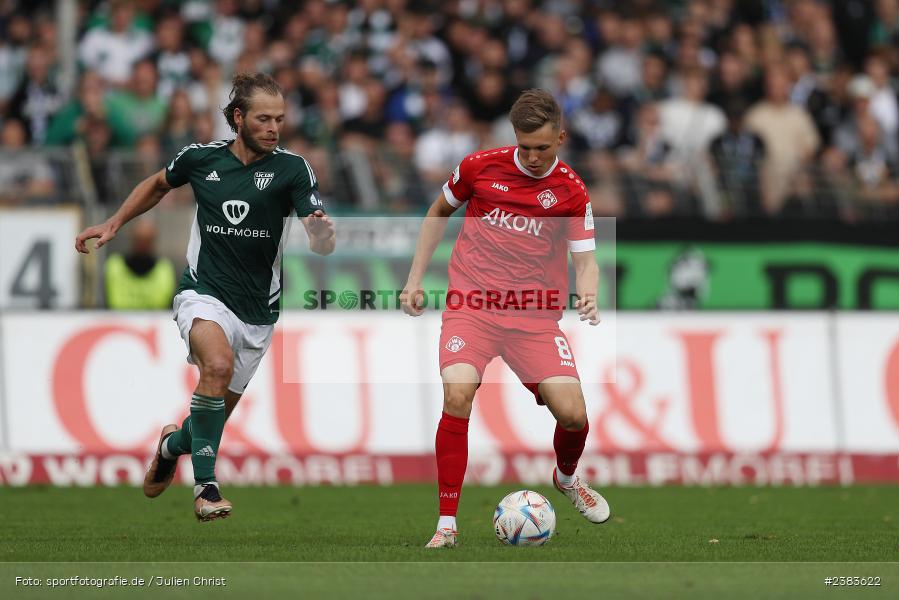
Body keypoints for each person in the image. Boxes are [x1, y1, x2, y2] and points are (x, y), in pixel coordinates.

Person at [75, 72, 335, 521]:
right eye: (263, 119)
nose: (274, 128)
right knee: (215, 366)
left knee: (208, 420)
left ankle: (171, 445)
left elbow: (317, 231)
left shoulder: (293, 169)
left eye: (280, 119)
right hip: (204, 292)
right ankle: (207, 488)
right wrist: (116, 222)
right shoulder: (200, 159)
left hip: (258, 310)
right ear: (238, 118)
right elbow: (158, 184)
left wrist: (321, 236)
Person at [400, 89, 610, 549]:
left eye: (543, 147)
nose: (533, 157)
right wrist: (415, 279)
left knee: (573, 415)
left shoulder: (571, 190)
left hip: (533, 318)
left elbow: (586, 260)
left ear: (561, 136)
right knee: (458, 394)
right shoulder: (479, 167)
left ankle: (567, 478)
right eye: (525, 146)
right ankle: (446, 523)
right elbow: (437, 212)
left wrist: (588, 292)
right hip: (471, 306)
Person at [104, 218, 176, 310]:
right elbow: (114, 302)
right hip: (121, 322)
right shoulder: (114, 265)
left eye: (147, 241)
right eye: (139, 240)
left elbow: (162, 302)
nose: (142, 245)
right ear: (132, 240)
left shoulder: (164, 269)